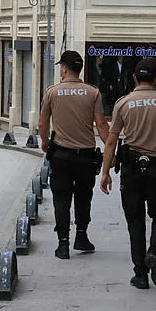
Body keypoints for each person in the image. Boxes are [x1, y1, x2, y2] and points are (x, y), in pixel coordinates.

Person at [100, 58, 156, 289]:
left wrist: (105, 172)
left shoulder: (123, 102)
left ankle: (140, 275)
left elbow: (111, 141)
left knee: (135, 221)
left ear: (134, 77)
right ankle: (155, 253)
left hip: (131, 169)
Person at [39, 50, 110, 260]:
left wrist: (45, 142)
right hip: (85, 157)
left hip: (60, 155)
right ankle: (81, 236)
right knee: (83, 197)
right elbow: (101, 124)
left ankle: (63, 244)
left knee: (61, 198)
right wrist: (110, 149)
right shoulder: (93, 92)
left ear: (64, 69)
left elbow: (43, 123)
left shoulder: (52, 92)